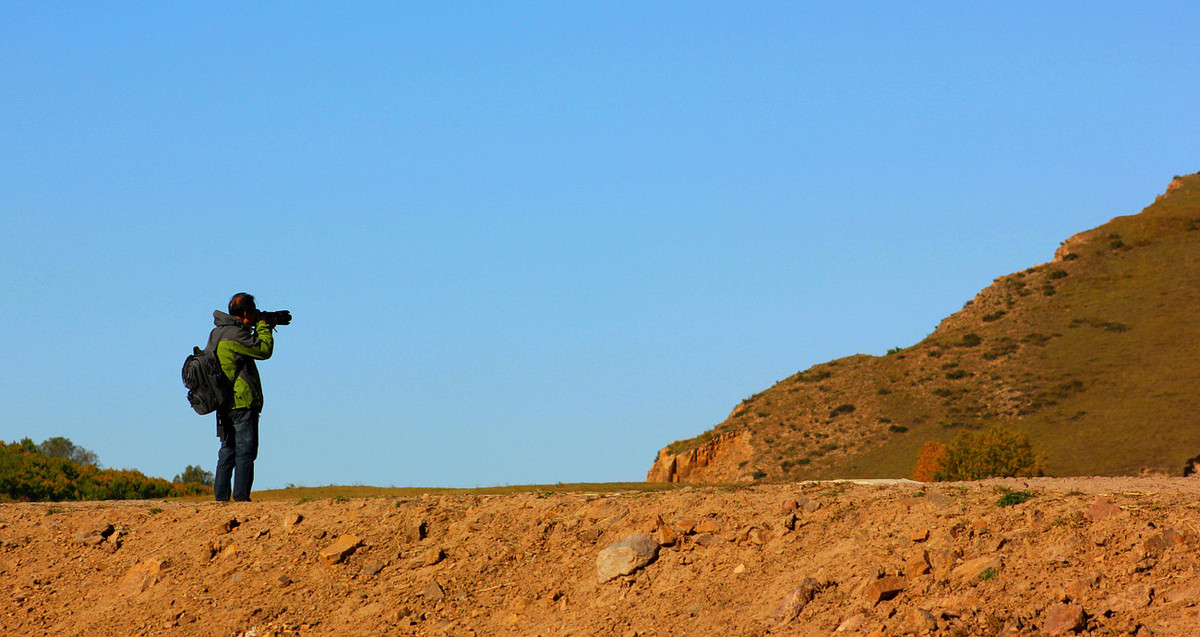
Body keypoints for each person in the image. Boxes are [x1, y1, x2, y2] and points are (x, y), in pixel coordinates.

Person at [208, 293, 274, 502]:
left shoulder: (217, 332)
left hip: (222, 401)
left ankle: (221, 500)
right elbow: (264, 350)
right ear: (247, 313)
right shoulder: (235, 335)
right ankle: (241, 499)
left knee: (227, 451)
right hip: (241, 401)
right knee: (245, 452)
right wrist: (263, 326)